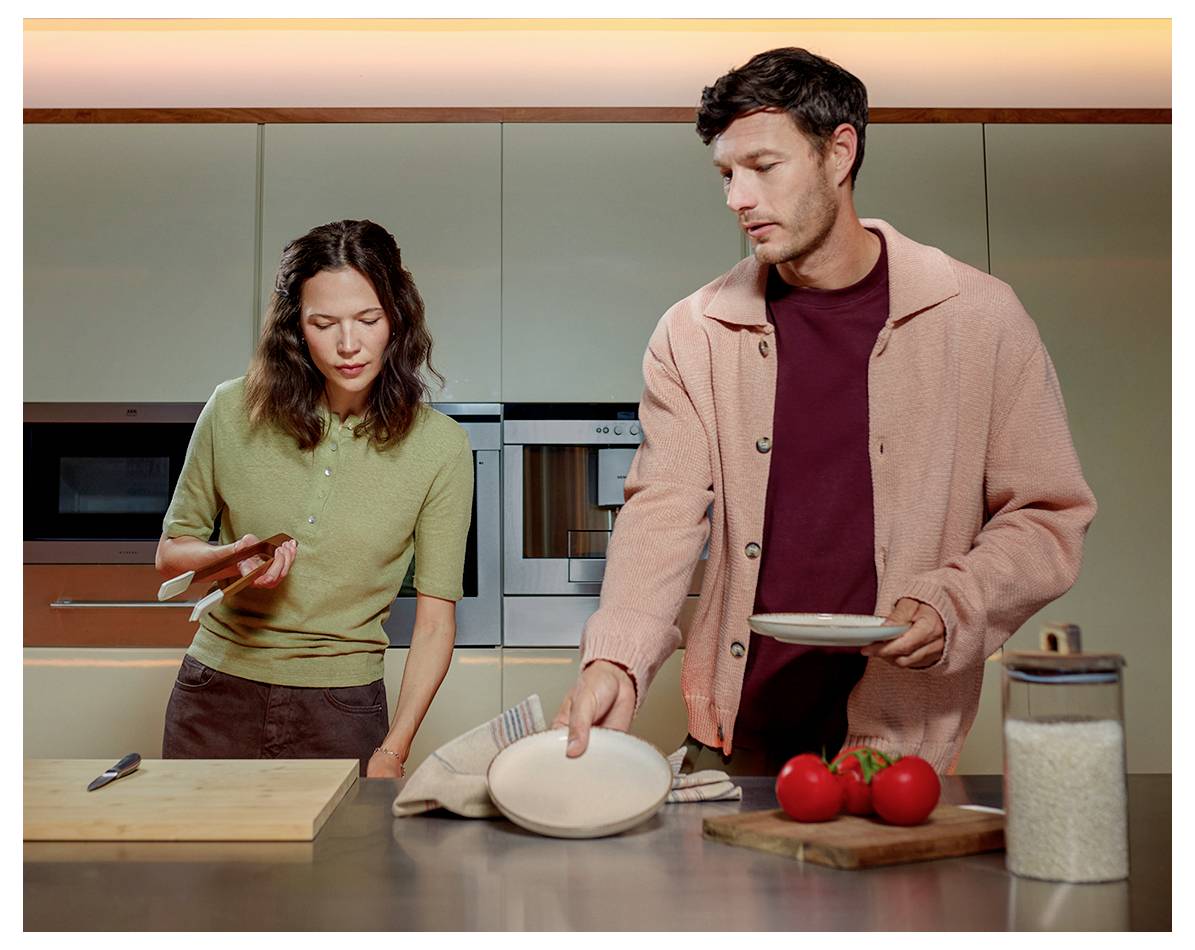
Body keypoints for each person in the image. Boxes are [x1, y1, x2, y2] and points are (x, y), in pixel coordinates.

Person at [553, 48, 1097, 775]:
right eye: (725, 174)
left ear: (839, 152)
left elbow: (1046, 514)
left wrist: (950, 606)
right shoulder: (694, 332)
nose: (735, 198)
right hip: (732, 735)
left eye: (763, 167)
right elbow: (663, 509)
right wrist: (615, 661)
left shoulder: (979, 319)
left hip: (898, 745)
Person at [156, 219, 473, 777]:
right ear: (295, 328)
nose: (348, 345)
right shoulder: (232, 410)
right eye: (323, 323)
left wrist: (394, 749)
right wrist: (229, 558)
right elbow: (173, 551)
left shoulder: (441, 448)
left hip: (343, 708)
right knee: (202, 865)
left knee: (341, 868)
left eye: (368, 320)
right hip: (213, 694)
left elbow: (434, 623)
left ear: (396, 319)